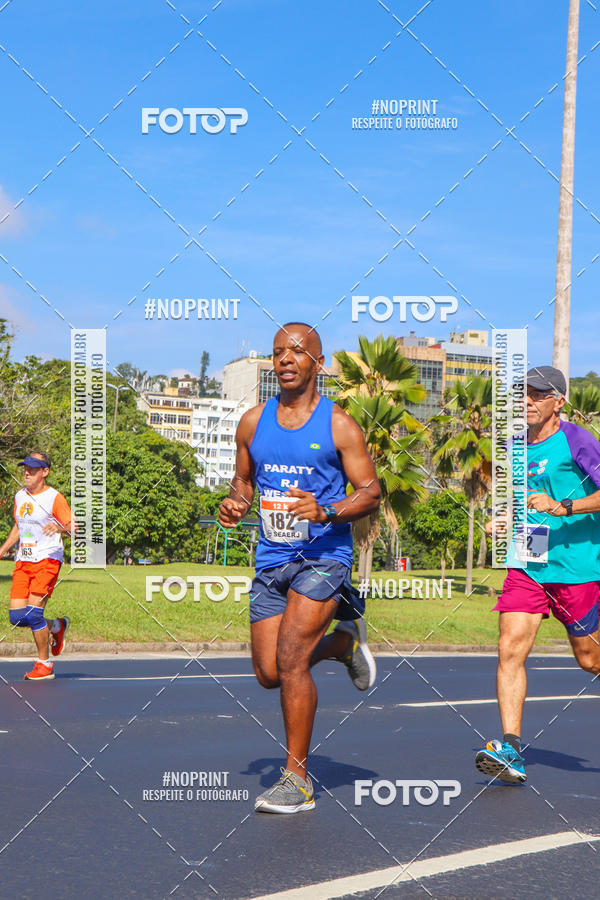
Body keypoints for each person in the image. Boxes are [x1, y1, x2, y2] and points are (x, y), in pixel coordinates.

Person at [218, 323, 381, 814]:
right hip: (272, 560)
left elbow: (371, 492)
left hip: (325, 558)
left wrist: (326, 510)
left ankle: (297, 780)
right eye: (277, 353)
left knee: (290, 659)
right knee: (270, 673)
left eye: (296, 351)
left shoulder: (339, 425)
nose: (285, 358)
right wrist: (235, 504)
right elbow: (243, 482)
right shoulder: (252, 422)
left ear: (317, 362)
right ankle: (343, 643)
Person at [476, 366, 600, 783]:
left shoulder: (578, 441)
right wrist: (505, 520)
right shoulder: (514, 448)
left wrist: (564, 506)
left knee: (589, 659)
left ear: (558, 402)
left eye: (538, 394)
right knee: (509, 647)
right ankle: (510, 748)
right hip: (528, 563)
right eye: (524, 394)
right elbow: (520, 502)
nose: (528, 401)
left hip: (577, 567)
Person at [0, 451, 71, 680]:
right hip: (24, 560)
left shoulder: (54, 498)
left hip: (48, 559)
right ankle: (57, 627)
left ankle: (44, 664)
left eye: (32, 469)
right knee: (16, 617)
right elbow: (19, 526)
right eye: (25, 468)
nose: (27, 472)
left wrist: (59, 528)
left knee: (33, 613)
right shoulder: (20, 496)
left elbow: (73, 527)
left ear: (45, 472)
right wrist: (3, 548)